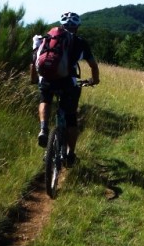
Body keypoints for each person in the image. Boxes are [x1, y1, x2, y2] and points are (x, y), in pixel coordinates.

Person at [34, 11, 100, 167]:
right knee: (71, 118)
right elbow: (93, 65)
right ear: (77, 27)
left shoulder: (48, 38)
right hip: (68, 83)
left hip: (47, 79)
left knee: (45, 100)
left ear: (61, 25)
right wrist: (95, 80)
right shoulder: (80, 42)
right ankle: (70, 154)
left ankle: (43, 129)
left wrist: (34, 78)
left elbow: (34, 59)